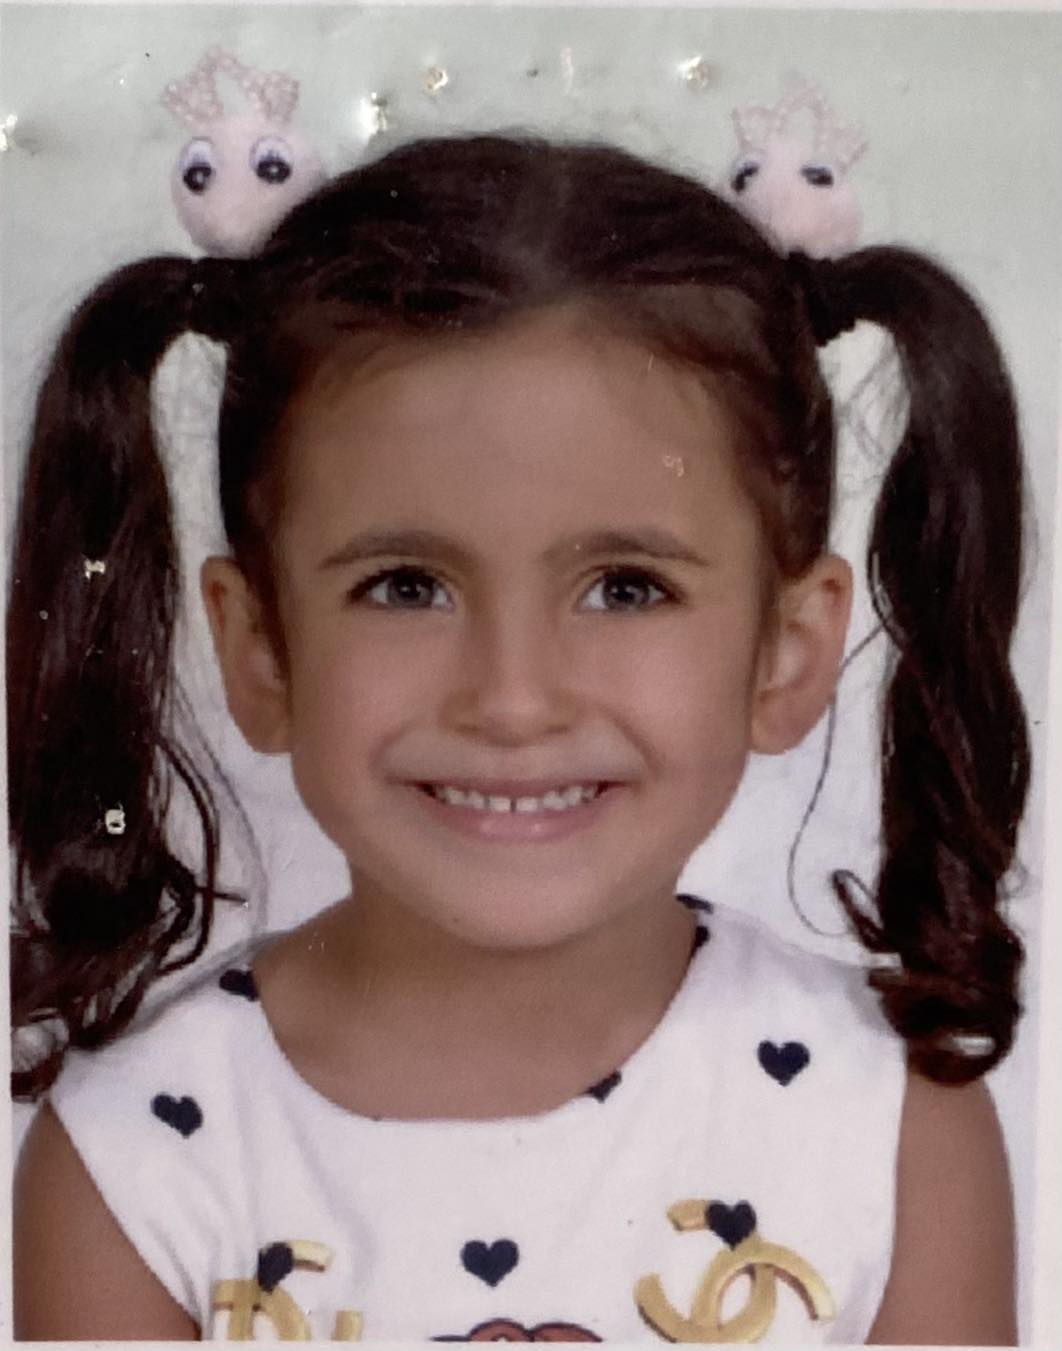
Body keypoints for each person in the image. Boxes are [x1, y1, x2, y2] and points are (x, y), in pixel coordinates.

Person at [8, 133, 1028, 1343]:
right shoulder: (134, 1163)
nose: (513, 699)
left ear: (786, 651)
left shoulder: (892, 1128)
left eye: (626, 587)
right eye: (405, 586)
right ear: (262, 647)